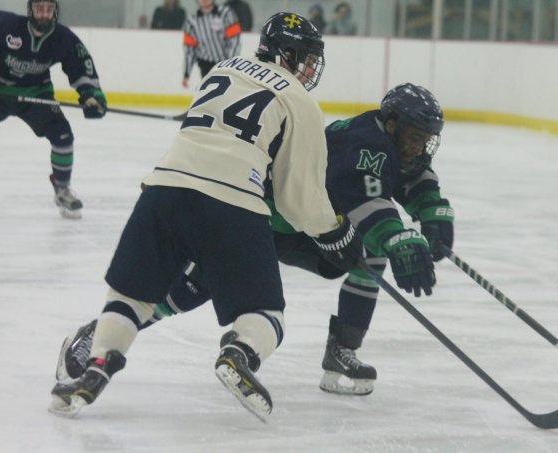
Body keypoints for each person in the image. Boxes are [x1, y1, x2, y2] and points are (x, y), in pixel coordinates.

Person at [49, 12, 364, 422]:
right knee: (267, 315)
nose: (308, 69)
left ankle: (95, 370)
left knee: (131, 298)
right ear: (285, 54)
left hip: (163, 190)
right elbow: (298, 201)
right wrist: (337, 234)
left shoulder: (222, 67)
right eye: (304, 58)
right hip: (232, 204)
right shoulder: (299, 100)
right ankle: (239, 353)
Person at [55, 83, 453, 399]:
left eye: (425, 140)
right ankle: (106, 331)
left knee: (369, 254)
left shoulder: (391, 144)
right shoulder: (367, 143)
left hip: (312, 227)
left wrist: (433, 213)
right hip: (269, 219)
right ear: (392, 124)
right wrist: (399, 234)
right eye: (415, 137)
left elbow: (413, 178)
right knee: (197, 286)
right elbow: (363, 199)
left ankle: (341, 350)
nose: (419, 148)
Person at [0, 0, 106, 218]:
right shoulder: (4, 24)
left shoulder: (63, 38)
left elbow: (81, 65)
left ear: (55, 11)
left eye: (49, 9)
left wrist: (91, 95)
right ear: (30, 10)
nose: (44, 14)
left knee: (63, 136)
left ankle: (62, 190)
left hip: (35, 94)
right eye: (39, 8)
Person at [182, 0, 241, 89]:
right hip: (205, 65)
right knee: (210, 95)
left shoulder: (226, 13)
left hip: (225, 63)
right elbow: (189, 50)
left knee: (226, 93)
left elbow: (235, 41)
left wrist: (230, 64)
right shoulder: (192, 20)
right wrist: (187, 74)